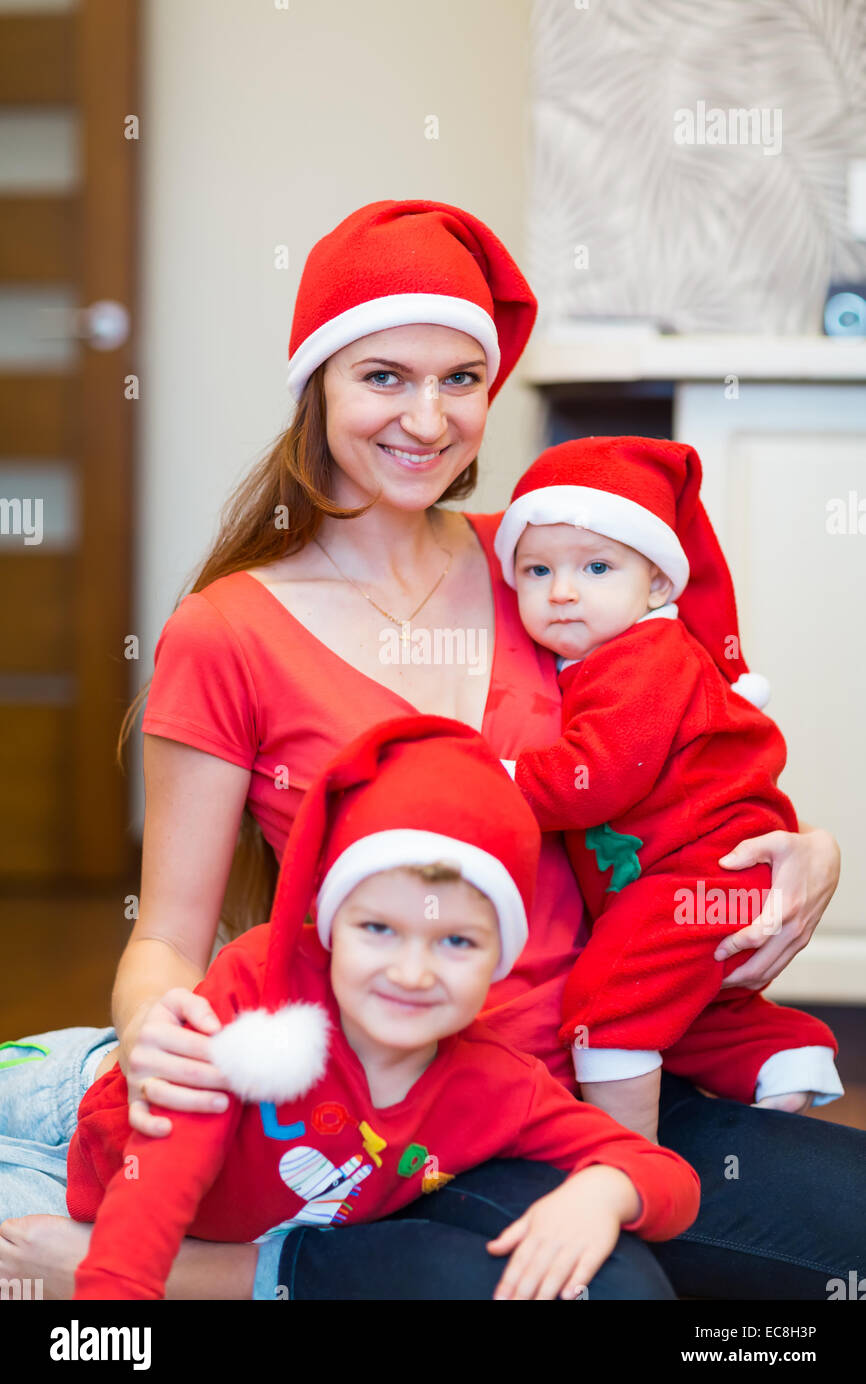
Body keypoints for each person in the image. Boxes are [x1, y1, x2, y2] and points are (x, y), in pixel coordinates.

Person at [0, 199, 860, 1303]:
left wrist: (810, 851)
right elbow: (165, 934)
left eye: (460, 378)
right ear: (318, 385)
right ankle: (233, 1268)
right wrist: (149, 1022)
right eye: (384, 377)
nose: (428, 417)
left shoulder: (546, 565)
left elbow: (697, 755)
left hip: (624, 1063)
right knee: (610, 1296)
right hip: (405, 1102)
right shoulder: (230, 630)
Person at [68, 715, 700, 1301]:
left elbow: (667, 1176)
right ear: (332, 926)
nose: (412, 973)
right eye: (378, 930)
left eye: (456, 942)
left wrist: (603, 1191)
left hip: (247, 1238)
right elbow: (158, 1183)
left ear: (500, 960)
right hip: (79, 1139)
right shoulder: (255, 995)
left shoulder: (497, 1087)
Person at [492, 436, 843, 1142]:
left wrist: (497, 780)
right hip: (703, 879)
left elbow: (600, 778)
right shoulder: (611, 654)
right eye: (537, 570)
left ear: (657, 584)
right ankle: (783, 1060)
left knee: (611, 1001)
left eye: (596, 566)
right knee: (691, 1011)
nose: (562, 591)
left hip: (699, 874)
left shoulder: (644, 659)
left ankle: (623, 1159)